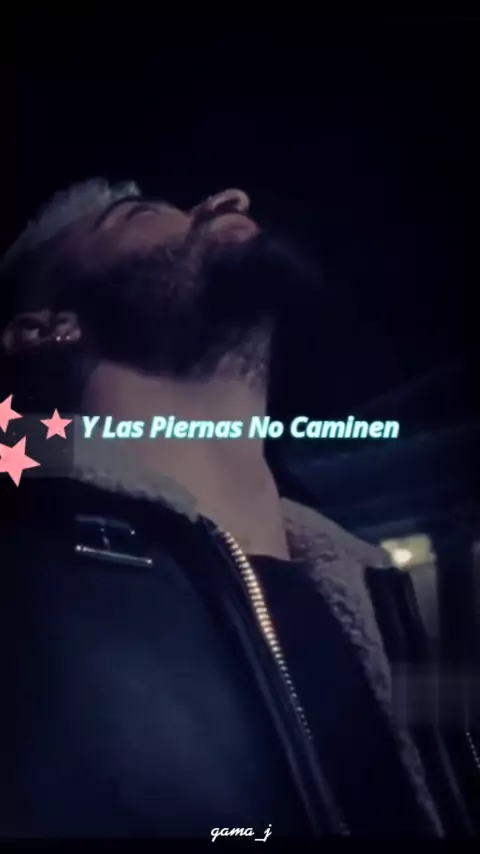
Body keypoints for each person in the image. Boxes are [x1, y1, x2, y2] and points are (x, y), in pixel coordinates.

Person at [0, 179, 442, 837]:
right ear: (46, 329)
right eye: (139, 214)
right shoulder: (21, 595)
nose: (230, 199)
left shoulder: (395, 612)